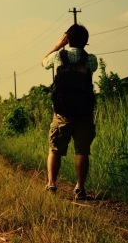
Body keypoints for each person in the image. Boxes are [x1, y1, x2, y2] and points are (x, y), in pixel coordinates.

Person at [41, 23, 98, 200]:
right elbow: (92, 70)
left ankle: (51, 184)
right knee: (82, 151)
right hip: (84, 112)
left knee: (55, 149)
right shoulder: (91, 59)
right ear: (86, 41)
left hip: (62, 112)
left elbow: (43, 62)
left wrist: (58, 45)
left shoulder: (58, 56)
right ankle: (80, 187)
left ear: (68, 39)